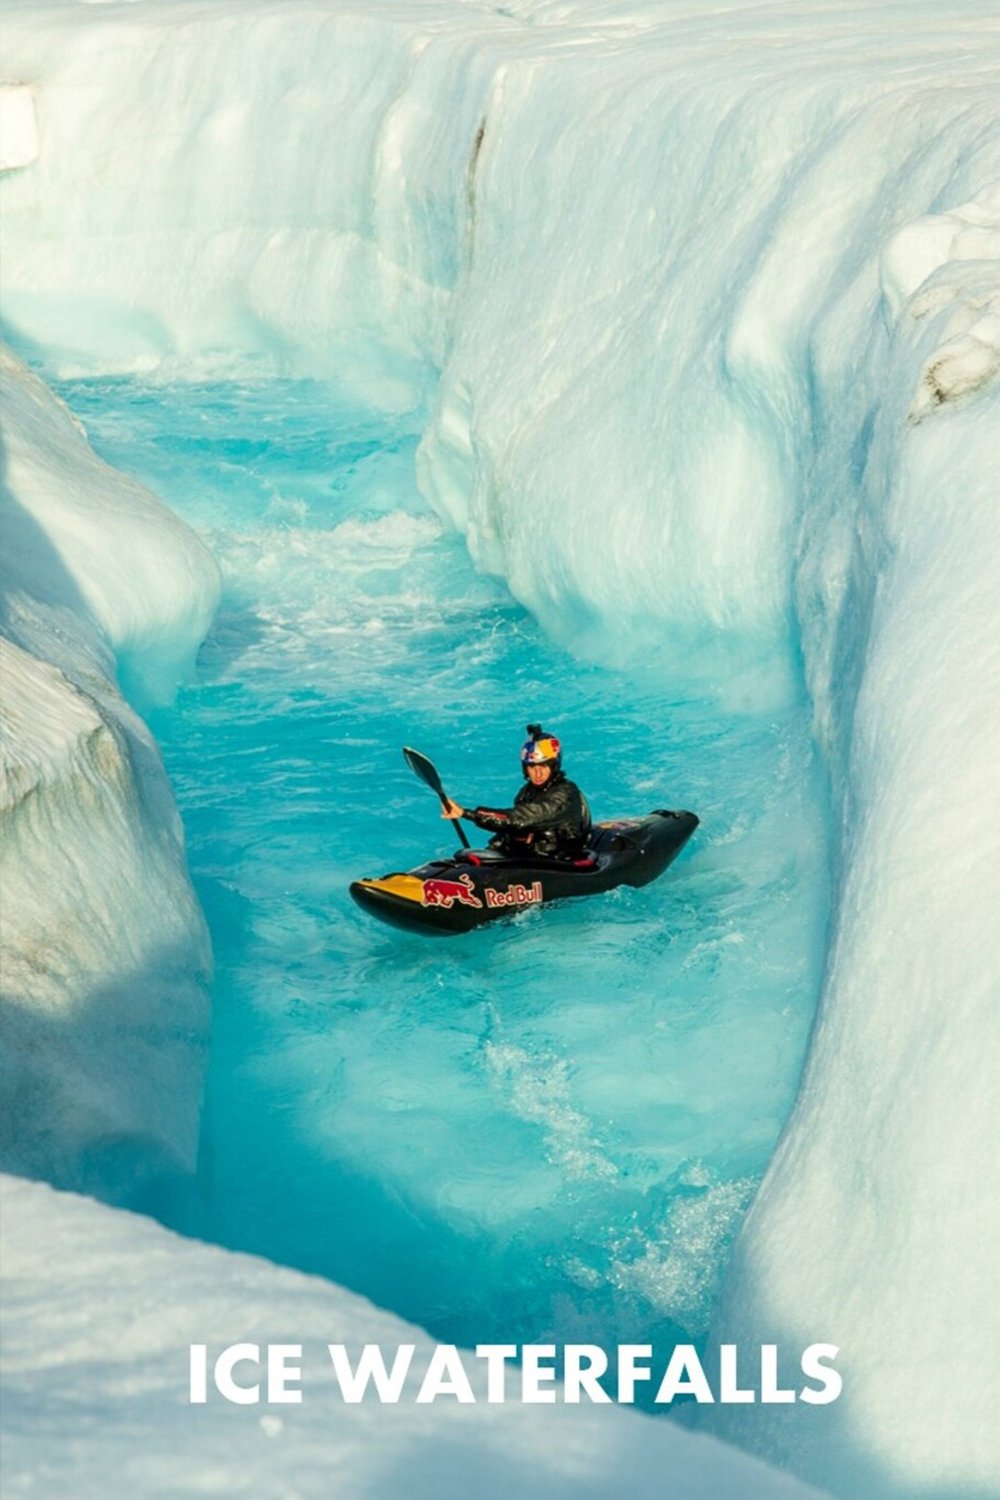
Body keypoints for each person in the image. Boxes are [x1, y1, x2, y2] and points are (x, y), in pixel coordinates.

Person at [442, 724, 591, 860]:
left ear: (554, 766)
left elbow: (518, 820)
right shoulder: (527, 792)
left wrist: (466, 813)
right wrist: (486, 854)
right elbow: (510, 830)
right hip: (531, 860)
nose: (538, 773)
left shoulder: (564, 794)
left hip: (559, 864)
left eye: (543, 766)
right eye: (532, 767)